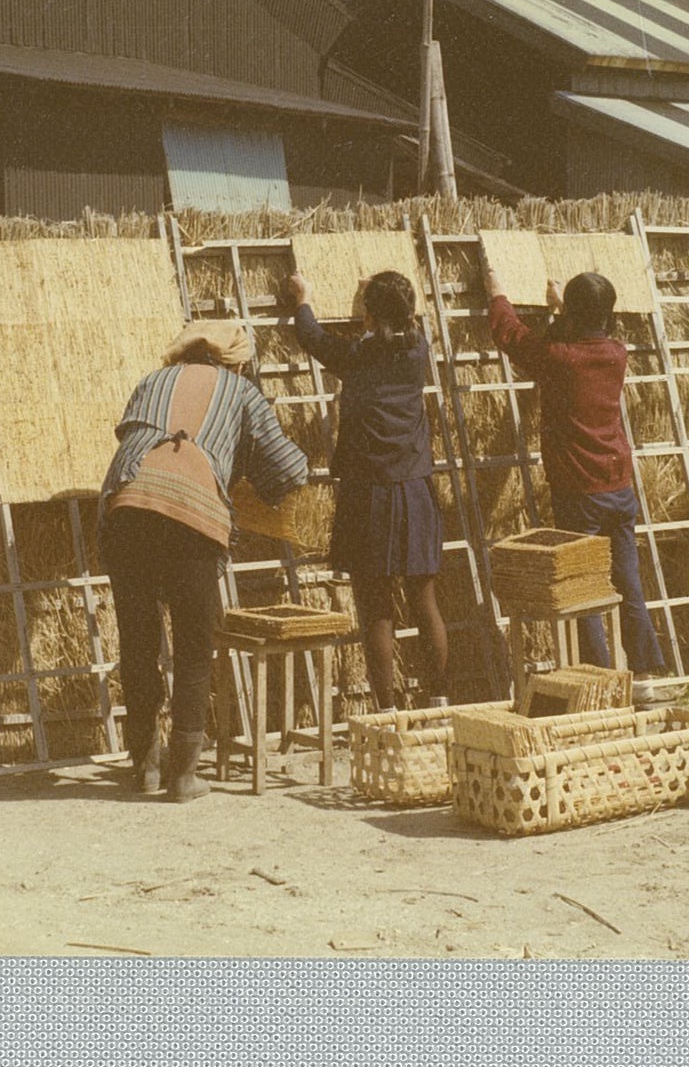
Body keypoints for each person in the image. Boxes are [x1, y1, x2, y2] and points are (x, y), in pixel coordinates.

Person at [99, 321, 309, 800]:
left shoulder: (152, 381)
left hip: (127, 509)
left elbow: (130, 438)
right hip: (190, 518)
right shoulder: (242, 391)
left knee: (137, 642)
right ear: (234, 359)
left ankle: (145, 766)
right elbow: (288, 468)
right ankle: (184, 776)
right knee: (194, 646)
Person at [483, 265, 667, 696]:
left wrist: (497, 293)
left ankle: (599, 675)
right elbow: (571, 338)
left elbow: (512, 336)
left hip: (579, 489)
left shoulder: (559, 357)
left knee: (581, 585)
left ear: (572, 311)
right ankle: (643, 674)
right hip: (618, 484)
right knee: (627, 580)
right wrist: (562, 310)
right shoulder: (616, 353)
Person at [281, 270, 448, 713]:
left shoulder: (359, 355)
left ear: (368, 316)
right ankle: (439, 697)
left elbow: (314, 339)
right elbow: (394, 327)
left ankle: (386, 708)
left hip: (369, 494)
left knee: (375, 605)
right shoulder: (418, 350)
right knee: (424, 599)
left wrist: (303, 298)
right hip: (414, 489)